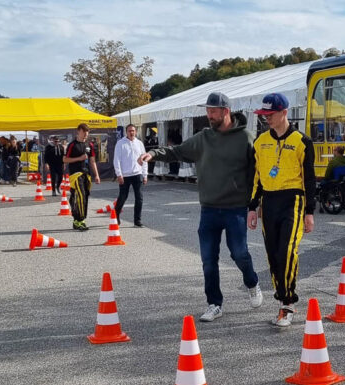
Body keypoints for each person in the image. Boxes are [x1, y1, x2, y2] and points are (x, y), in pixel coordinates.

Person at [138, 92, 262, 322]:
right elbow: (176, 151)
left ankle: (252, 282)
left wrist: (256, 204)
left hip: (236, 208)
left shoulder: (246, 137)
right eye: (207, 110)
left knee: (239, 253)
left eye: (213, 111)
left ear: (226, 111)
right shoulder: (202, 138)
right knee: (208, 260)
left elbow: (258, 171)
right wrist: (153, 154)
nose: (209, 115)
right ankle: (214, 303)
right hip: (209, 209)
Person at [248, 92, 316, 327]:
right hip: (269, 202)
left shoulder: (302, 141)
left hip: (293, 200)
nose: (266, 118)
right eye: (263, 114)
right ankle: (282, 298)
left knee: (287, 251)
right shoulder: (260, 142)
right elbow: (255, 177)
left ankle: (288, 303)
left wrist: (310, 212)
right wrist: (252, 207)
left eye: (270, 114)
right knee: (273, 255)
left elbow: (310, 179)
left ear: (284, 113)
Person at [64, 123, 101, 231]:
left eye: (87, 132)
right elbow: (65, 160)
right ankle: (80, 220)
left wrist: (97, 175)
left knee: (84, 196)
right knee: (81, 195)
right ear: (78, 131)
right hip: (75, 174)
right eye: (83, 131)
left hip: (86, 174)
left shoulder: (90, 145)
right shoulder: (72, 145)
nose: (85, 134)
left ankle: (77, 220)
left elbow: (92, 161)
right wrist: (79, 158)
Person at [113, 124, 147, 226]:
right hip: (125, 175)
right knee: (123, 197)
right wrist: (119, 174)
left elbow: (144, 159)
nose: (131, 133)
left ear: (135, 132)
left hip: (137, 174)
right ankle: (116, 215)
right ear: (126, 132)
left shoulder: (139, 143)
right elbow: (116, 160)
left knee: (139, 198)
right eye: (129, 131)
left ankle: (137, 220)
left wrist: (145, 175)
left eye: (133, 131)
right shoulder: (120, 144)